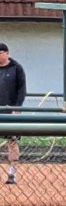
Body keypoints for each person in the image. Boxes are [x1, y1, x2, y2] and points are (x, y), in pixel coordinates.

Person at [0, 42, 28, 185]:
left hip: (10, 111)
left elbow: (22, 90)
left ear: (6, 53)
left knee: (12, 141)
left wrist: (17, 108)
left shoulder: (16, 68)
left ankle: (12, 173)